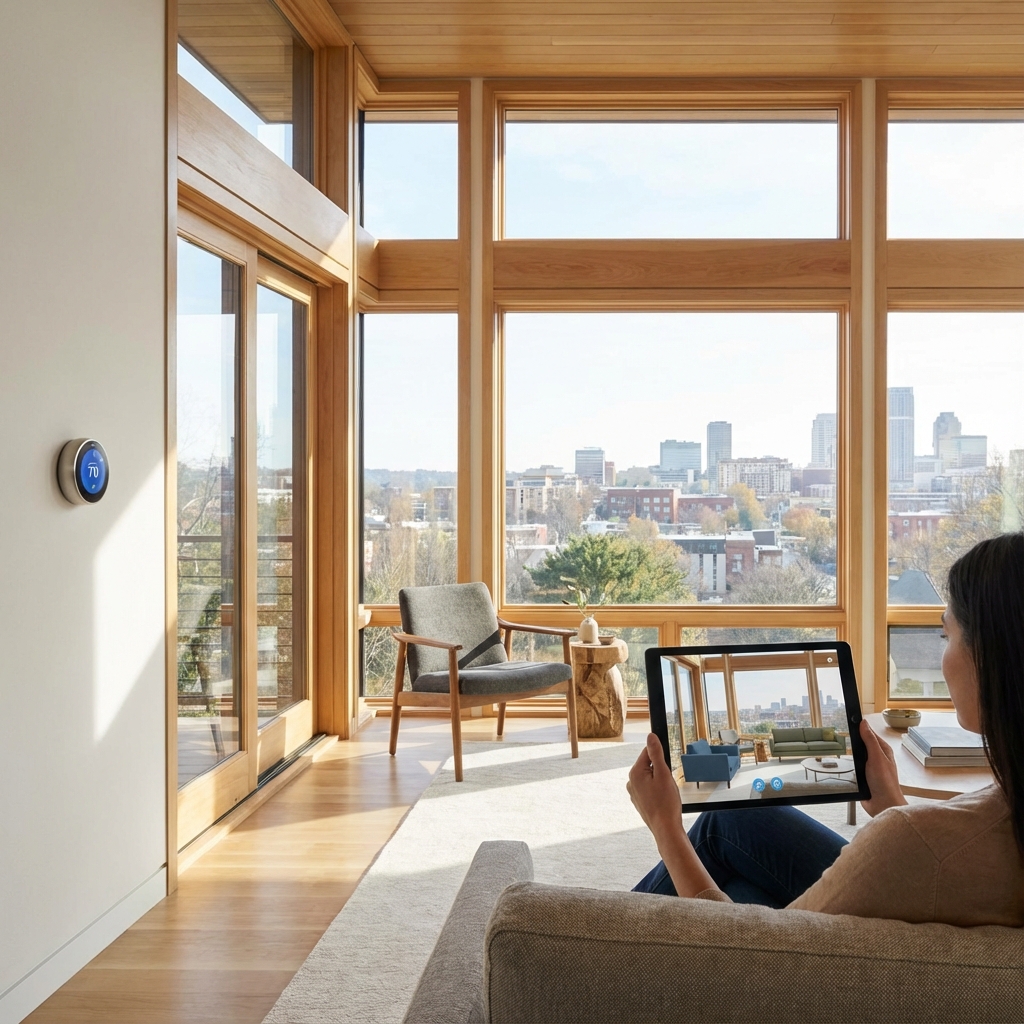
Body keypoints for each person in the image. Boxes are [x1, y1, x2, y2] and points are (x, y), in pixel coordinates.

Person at [628, 532, 1024, 926]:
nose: (943, 655)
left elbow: (747, 951)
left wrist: (666, 828)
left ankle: (599, 947)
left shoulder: (906, 842)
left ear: (992, 655)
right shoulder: (981, 826)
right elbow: (942, 867)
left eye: (945, 634)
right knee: (731, 820)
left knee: (741, 888)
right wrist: (891, 803)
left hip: (793, 963)